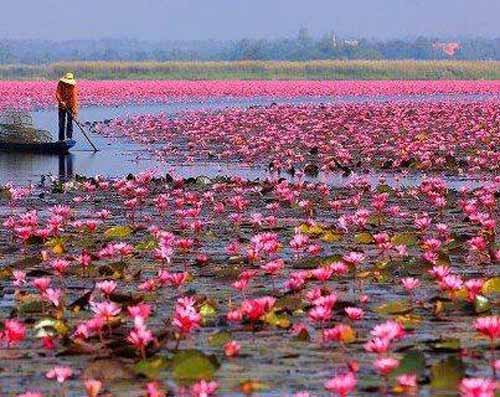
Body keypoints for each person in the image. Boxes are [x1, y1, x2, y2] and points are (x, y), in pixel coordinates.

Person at [55, 73, 78, 141]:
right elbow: (57, 93)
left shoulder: (72, 86)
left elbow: (74, 98)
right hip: (61, 105)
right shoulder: (61, 83)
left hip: (70, 105)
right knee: (61, 122)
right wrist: (61, 101)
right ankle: (61, 139)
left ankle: (69, 138)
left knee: (70, 122)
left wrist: (74, 112)